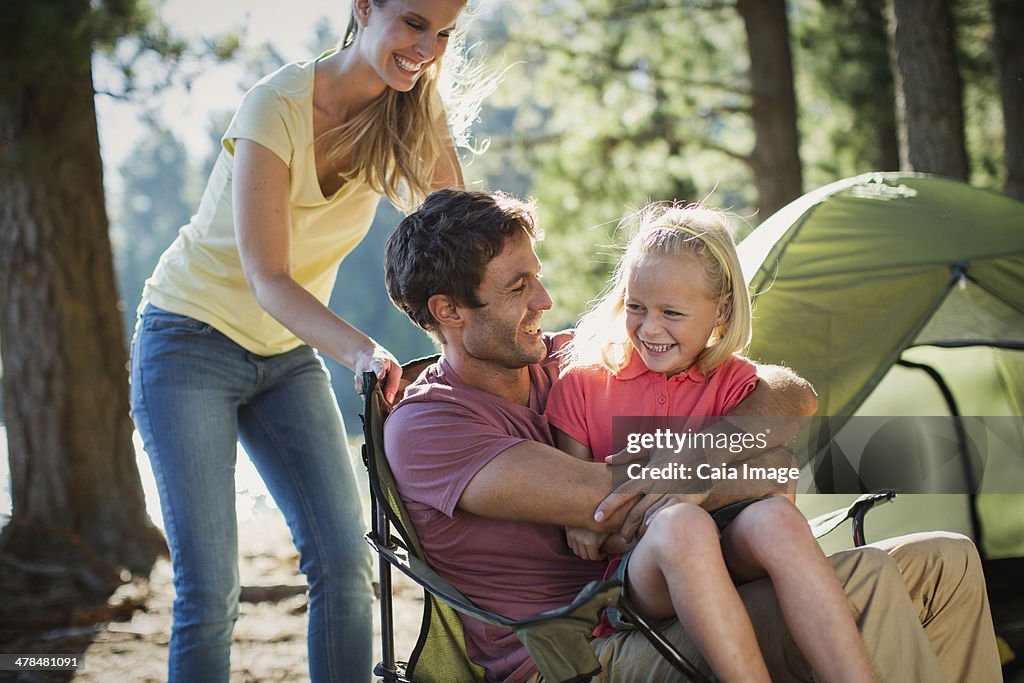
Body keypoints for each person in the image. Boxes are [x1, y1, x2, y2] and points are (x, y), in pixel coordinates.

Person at [382, 188, 1002, 683]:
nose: (545, 299)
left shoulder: (569, 358)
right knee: (864, 587)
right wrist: (759, 467)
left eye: (537, 277)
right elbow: (615, 495)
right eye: (518, 288)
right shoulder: (429, 426)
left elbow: (786, 394)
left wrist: (704, 455)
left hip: (680, 600)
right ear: (449, 312)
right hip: (582, 653)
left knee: (945, 560)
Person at [128, 2, 484, 680]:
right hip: (185, 341)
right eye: (413, 23)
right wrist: (361, 350)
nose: (428, 48)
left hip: (282, 354)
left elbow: (457, 234)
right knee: (209, 592)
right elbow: (269, 277)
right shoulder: (276, 107)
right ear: (363, 8)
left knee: (348, 567)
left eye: (443, 33)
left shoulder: (411, 111)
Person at [544, 202, 873, 682]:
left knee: (776, 518)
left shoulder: (735, 385)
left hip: (733, 551)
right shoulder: (584, 386)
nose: (649, 328)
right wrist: (621, 523)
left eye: (671, 313)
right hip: (639, 578)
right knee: (682, 527)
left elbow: (777, 478)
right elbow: (583, 530)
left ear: (721, 309)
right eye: (636, 307)